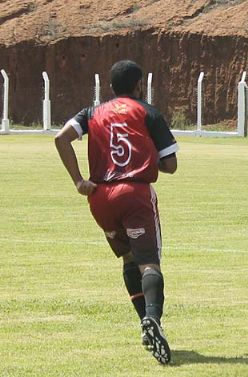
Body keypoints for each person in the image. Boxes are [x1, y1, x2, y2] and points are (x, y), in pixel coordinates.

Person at [54, 60, 178, 363]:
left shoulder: (91, 112)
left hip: (99, 197)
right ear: (138, 86)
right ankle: (154, 320)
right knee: (149, 263)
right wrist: (147, 154)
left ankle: (144, 325)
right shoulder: (148, 112)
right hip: (134, 193)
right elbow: (170, 166)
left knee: (128, 258)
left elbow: (60, 139)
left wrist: (78, 181)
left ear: (110, 87)